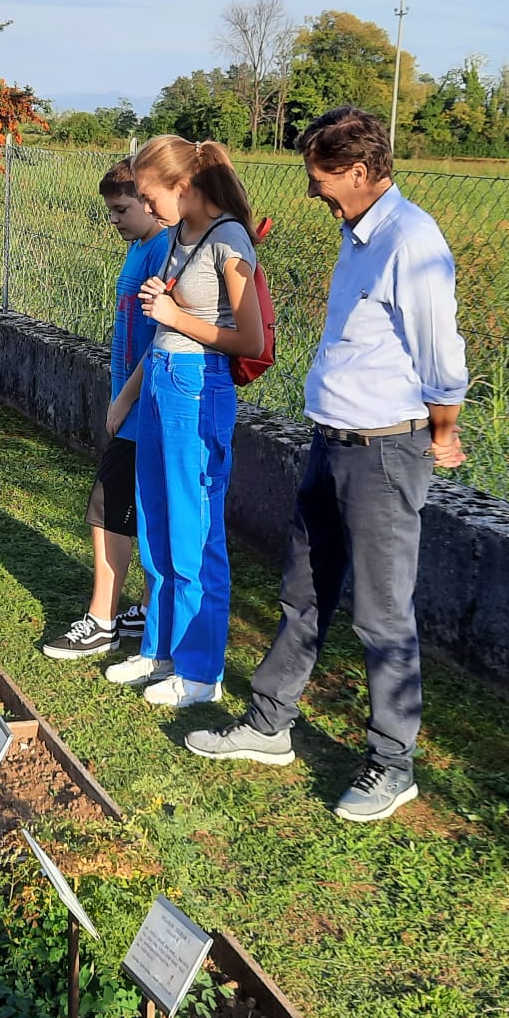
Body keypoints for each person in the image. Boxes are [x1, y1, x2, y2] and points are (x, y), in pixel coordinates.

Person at [185, 106, 468, 823]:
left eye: (322, 178)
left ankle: (391, 764)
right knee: (303, 591)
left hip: (385, 451)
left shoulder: (412, 240)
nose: (314, 191)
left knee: (381, 613)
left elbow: (442, 354)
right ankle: (269, 724)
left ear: (363, 171)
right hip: (333, 442)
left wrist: (444, 431)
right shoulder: (358, 233)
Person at [103, 135, 265, 707]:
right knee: (155, 525)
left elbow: (250, 338)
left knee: (195, 535)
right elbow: (167, 326)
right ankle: (159, 650)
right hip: (160, 383)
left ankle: (201, 672)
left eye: (150, 195)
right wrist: (129, 392)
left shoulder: (230, 240)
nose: (146, 208)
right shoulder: (178, 237)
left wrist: (173, 313)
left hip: (199, 389)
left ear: (182, 187)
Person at [42, 160, 172, 660]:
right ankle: (140, 610)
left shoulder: (163, 250)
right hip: (132, 404)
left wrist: (125, 397)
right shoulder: (141, 246)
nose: (113, 220)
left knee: (108, 510)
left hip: (143, 409)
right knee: (125, 507)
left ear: (150, 199)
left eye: (121, 209)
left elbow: (162, 338)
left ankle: (102, 620)